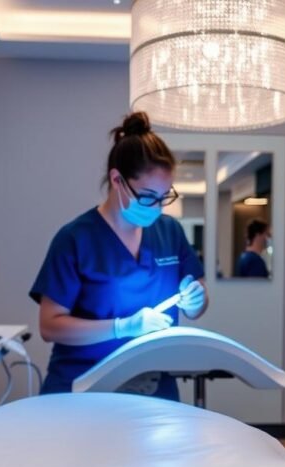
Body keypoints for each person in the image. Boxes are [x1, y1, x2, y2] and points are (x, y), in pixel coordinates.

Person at [29, 112, 208, 400]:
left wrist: (198, 300)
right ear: (117, 180)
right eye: (148, 197)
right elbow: (50, 326)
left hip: (152, 385)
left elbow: (196, 302)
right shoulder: (76, 239)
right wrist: (122, 327)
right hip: (82, 387)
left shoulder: (169, 232)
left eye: (164, 197)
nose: (157, 207)